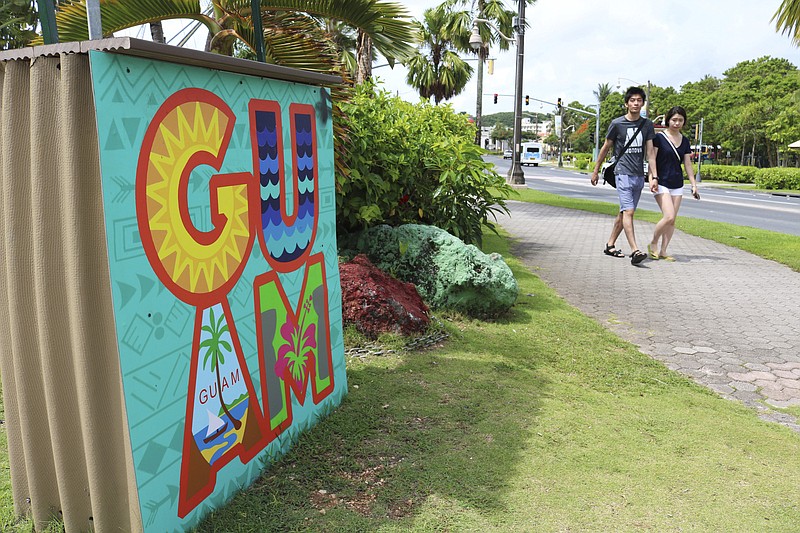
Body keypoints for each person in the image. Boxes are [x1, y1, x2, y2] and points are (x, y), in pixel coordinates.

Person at [591, 86, 657, 265]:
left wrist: (653, 177)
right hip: (622, 173)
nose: (636, 103)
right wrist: (596, 170)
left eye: (639, 100)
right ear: (626, 103)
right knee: (629, 211)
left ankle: (610, 245)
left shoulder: (647, 125)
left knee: (624, 213)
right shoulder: (617, 124)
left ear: (643, 103)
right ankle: (635, 251)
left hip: (638, 175)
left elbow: (650, 153)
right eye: (632, 100)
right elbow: (605, 147)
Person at [646, 106, 700, 261]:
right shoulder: (660, 138)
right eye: (674, 120)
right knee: (668, 216)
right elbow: (652, 159)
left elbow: (687, 164)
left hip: (677, 182)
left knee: (672, 220)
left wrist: (693, 184)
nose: (677, 123)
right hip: (661, 181)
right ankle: (654, 243)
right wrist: (652, 178)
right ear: (668, 120)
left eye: (680, 120)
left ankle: (663, 250)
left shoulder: (685, 140)